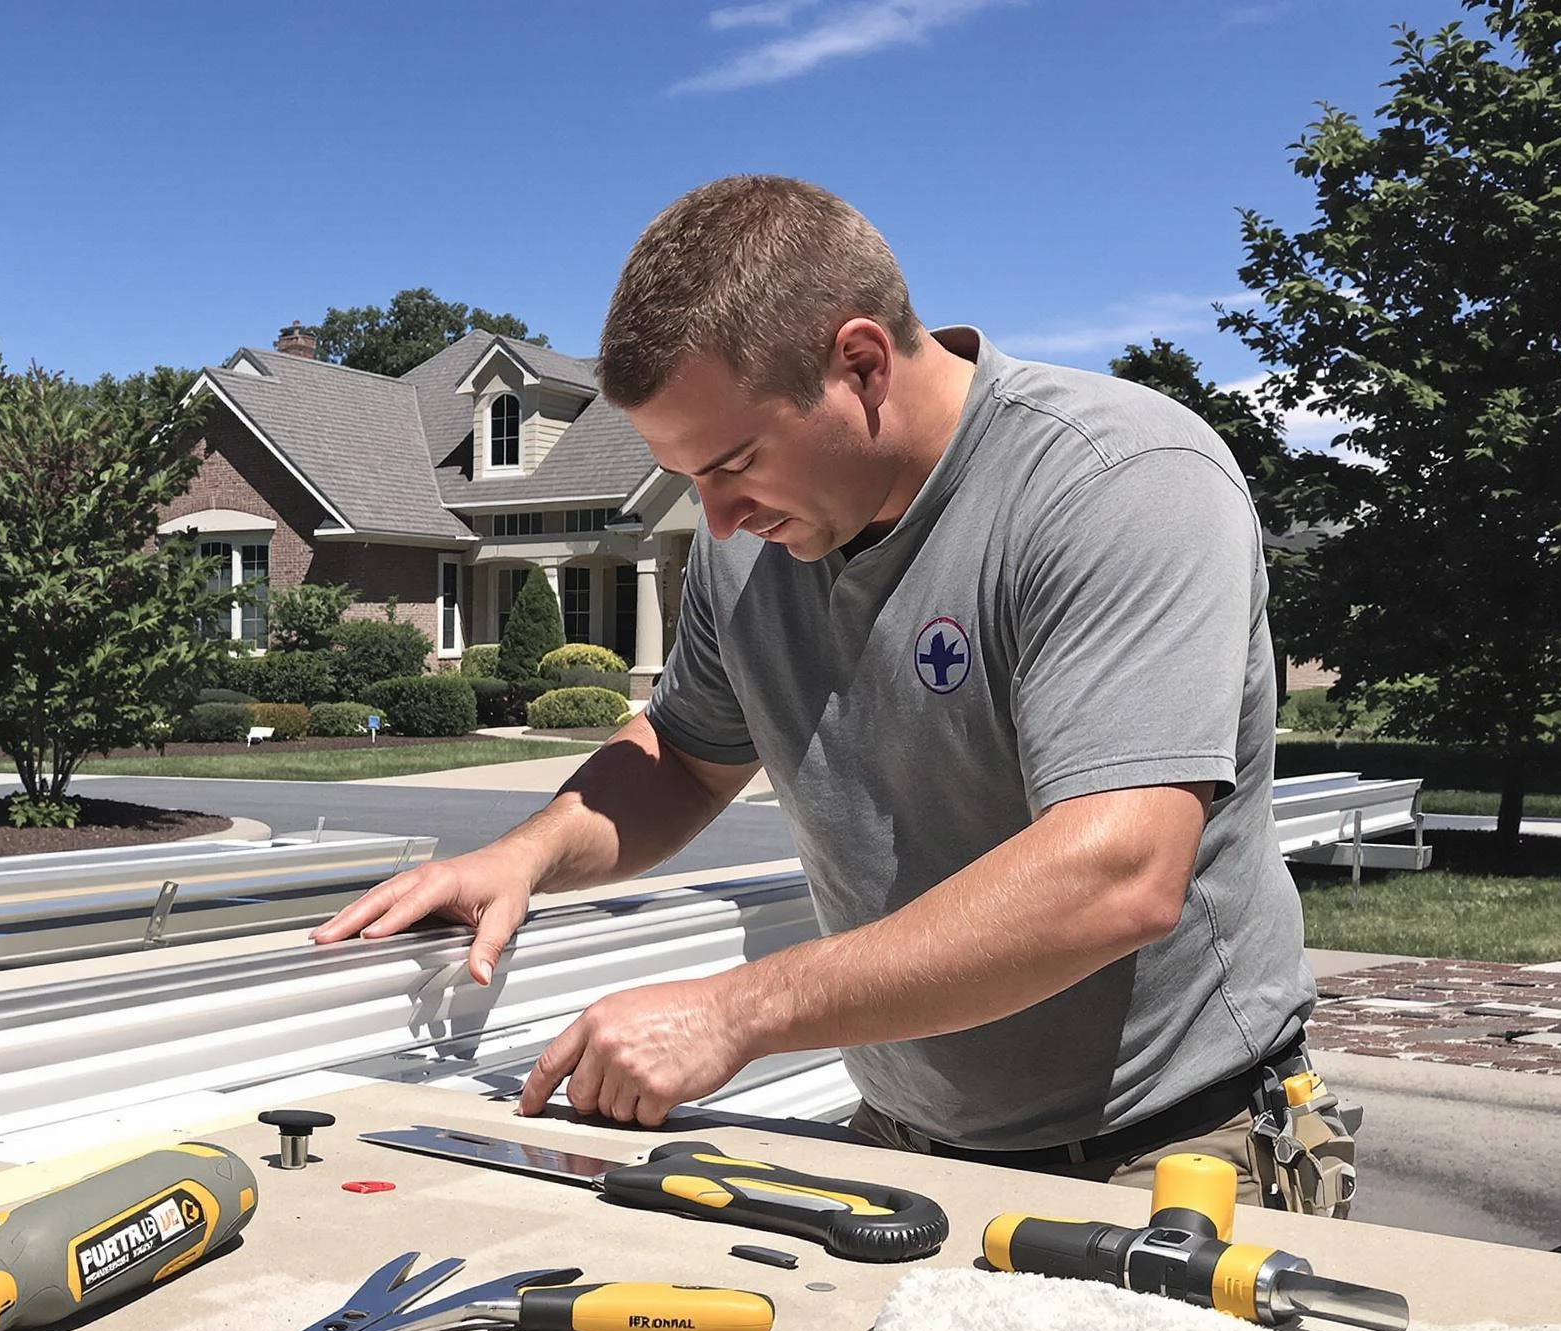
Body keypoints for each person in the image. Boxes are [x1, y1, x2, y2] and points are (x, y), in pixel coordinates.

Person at [311, 174, 1317, 1193]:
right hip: (903, 1135)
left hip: (1172, 1146)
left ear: (862, 363)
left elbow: (1118, 873)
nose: (715, 519)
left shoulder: (1115, 480)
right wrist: (522, 857)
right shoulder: (752, 544)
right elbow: (681, 758)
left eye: (734, 462)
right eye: (689, 477)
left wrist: (733, 1012)